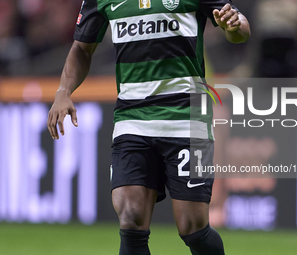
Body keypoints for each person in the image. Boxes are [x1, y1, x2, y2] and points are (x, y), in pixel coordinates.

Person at [47, 0, 250, 254]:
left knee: (193, 228)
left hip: (187, 117)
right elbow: (81, 48)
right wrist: (63, 91)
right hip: (132, 118)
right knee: (131, 217)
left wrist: (233, 26)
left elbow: (241, 30)